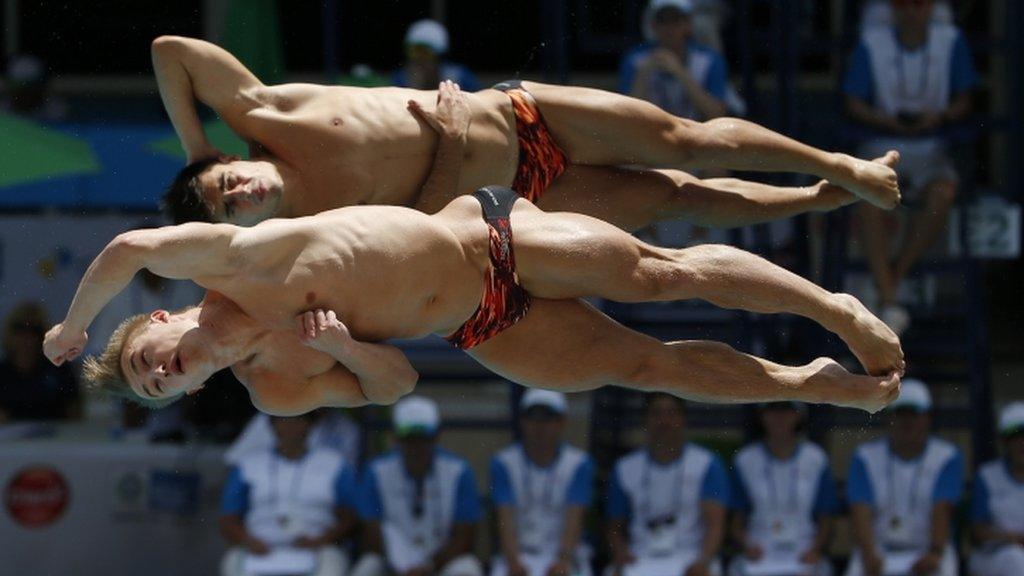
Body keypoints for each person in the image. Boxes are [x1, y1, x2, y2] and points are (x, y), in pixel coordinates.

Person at [44, 186, 904, 415]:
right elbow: (395, 389)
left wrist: (76, 326)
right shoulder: (276, 384)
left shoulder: (233, 266)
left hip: (484, 239)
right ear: (189, 393)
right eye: (164, 385)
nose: (170, 371)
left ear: (162, 322)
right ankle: (817, 386)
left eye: (155, 361)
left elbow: (129, 248)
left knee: (657, 274)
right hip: (477, 321)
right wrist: (343, 348)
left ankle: (834, 308)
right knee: (645, 368)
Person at [151, 35, 902, 232]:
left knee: (684, 140)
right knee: (680, 199)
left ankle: (839, 165)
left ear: (227, 162)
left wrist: (194, 153)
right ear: (242, 226)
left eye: (224, 182)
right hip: (521, 189)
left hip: (520, 114)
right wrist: (446, 150)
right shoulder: (315, 225)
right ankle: (818, 198)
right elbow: (427, 223)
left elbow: (170, 53)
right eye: (231, 206)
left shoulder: (264, 117)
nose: (241, 190)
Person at [841, 0, 977, 333]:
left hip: (932, 145)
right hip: (883, 143)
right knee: (866, 195)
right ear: (894, 9)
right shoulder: (873, 42)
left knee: (943, 192)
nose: (912, 11)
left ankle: (891, 283)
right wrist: (881, 119)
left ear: (931, 8)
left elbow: (965, 100)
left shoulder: (950, 40)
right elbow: (853, 101)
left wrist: (941, 117)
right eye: (904, 4)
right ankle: (890, 298)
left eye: (920, 4)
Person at [350, 396, 484, 576]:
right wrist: (402, 567)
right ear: (396, 437)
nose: (416, 445)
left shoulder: (458, 471)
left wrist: (428, 567)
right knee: (367, 567)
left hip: (440, 562)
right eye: (409, 437)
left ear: (437, 435)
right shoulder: (376, 471)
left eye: (424, 437)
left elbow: (464, 535)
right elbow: (370, 531)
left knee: (468, 568)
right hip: (392, 563)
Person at [844, 379, 963, 576]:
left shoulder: (946, 456)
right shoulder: (865, 457)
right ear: (889, 417)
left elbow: (942, 508)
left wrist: (934, 552)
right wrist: (869, 554)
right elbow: (860, 511)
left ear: (927, 418)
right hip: (878, 549)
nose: (907, 422)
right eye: (900, 414)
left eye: (914, 414)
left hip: (927, 548)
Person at [219, 413, 359, 576]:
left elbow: (350, 518)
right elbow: (228, 519)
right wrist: (248, 541)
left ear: (310, 424)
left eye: (298, 419)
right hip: (258, 548)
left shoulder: (334, 464)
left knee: (332, 568)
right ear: (272, 425)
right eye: (282, 420)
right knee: (232, 563)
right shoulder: (248, 465)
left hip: (317, 548)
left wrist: (321, 541)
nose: (290, 426)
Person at [605, 393, 730, 576]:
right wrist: (620, 553)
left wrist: (703, 561)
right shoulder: (625, 468)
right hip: (640, 557)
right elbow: (614, 527)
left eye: (671, 413)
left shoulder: (706, 464)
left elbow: (715, 525)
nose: (664, 421)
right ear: (645, 420)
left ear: (683, 419)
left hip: (691, 557)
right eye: (656, 414)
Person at [489, 390, 594, 576]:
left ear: (561, 422)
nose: (540, 426)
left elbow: (574, 517)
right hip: (518, 554)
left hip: (563, 554)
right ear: (522, 421)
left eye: (548, 418)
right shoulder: (503, 463)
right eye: (533, 417)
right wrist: (513, 562)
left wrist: (563, 560)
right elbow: (505, 518)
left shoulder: (579, 463)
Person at [728, 402, 839, 576]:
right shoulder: (745, 459)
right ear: (761, 416)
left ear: (798, 416)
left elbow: (826, 517)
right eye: (772, 410)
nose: (779, 417)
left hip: (804, 548)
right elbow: (736, 521)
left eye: (787, 410)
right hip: (759, 548)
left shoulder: (816, 458)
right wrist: (746, 546)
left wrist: (816, 549)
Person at [620, 0, 729, 122]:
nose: (670, 28)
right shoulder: (635, 60)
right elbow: (626, 118)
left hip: (695, 134)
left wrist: (680, 72)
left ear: (688, 24)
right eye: (663, 21)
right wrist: (643, 73)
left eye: (676, 20)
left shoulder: (709, 59)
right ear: (653, 25)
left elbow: (717, 115)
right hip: (651, 135)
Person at [968, 402, 1024, 576]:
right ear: (1005, 442)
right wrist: (1010, 539)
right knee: (1014, 559)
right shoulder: (988, 476)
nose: (1022, 443)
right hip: (995, 555)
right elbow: (977, 531)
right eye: (1015, 436)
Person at [0, 301, 80, 422]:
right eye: (20, 328)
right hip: (10, 439)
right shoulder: (2, 372)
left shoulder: (58, 367)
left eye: (35, 330)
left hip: (57, 437)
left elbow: (75, 412)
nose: (27, 337)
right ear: (9, 333)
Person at [226, 409, 362, 469]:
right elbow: (235, 462)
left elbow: (347, 475)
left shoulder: (347, 428)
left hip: (321, 504)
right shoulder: (275, 414)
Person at [392, 19, 480, 92]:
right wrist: (412, 88)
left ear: (439, 55)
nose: (419, 59)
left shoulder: (462, 78)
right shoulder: (400, 79)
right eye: (414, 52)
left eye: (425, 53)